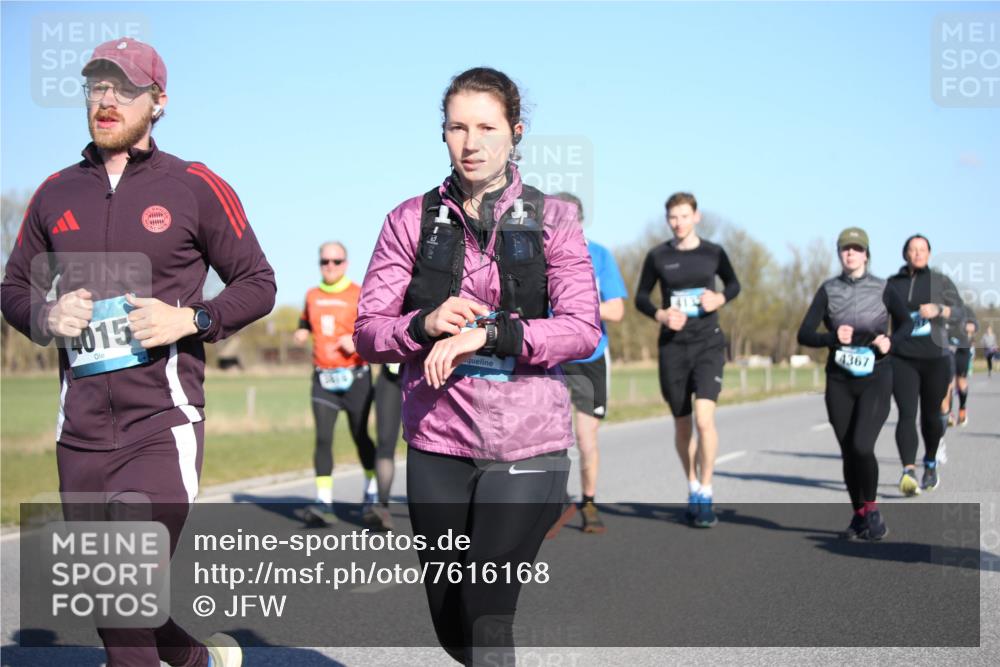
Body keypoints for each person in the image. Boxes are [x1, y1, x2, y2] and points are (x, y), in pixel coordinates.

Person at [0, 38, 275, 667]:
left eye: (123, 88)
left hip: (163, 423)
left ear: (158, 102)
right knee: (114, 602)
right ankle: (194, 660)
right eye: (95, 85)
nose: (105, 99)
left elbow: (259, 284)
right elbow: (12, 288)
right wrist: (45, 316)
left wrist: (192, 317)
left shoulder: (195, 186)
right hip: (81, 432)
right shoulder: (53, 193)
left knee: (123, 588)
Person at [354, 67, 600, 666]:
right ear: (443, 134)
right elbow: (367, 332)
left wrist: (491, 332)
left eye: (487, 127)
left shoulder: (554, 219)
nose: (472, 142)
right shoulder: (409, 220)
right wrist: (423, 323)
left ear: (515, 133)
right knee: (451, 621)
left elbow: (582, 329)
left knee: (488, 612)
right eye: (458, 127)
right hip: (439, 441)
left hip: (527, 443)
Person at [797, 228, 912, 540]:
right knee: (848, 450)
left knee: (862, 445)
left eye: (856, 249)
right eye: (845, 249)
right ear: (839, 254)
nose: (850, 254)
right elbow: (804, 333)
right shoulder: (828, 290)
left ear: (866, 254)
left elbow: (908, 324)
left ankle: (873, 510)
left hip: (876, 374)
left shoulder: (883, 287)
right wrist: (831, 337)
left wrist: (891, 341)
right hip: (839, 378)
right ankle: (858, 515)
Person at [634, 192, 740, 528]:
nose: (678, 222)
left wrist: (720, 297)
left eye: (684, 216)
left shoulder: (714, 252)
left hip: (708, 344)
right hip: (673, 349)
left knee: (705, 420)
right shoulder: (658, 256)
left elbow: (734, 284)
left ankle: (707, 491)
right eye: (673, 217)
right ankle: (692, 486)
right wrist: (662, 315)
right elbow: (641, 298)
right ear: (668, 220)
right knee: (682, 425)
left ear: (696, 216)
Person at [553, 192, 627, 534]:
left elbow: (616, 310)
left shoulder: (599, 255)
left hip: (592, 356)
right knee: (545, 437)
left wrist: (579, 306)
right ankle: (549, 506)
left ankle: (589, 501)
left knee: (585, 439)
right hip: (551, 354)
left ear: (579, 220)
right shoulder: (540, 256)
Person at [293, 242, 381, 527]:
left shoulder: (358, 293)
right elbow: (305, 321)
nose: (330, 266)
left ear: (346, 263)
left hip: (355, 376)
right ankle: (324, 502)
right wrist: (301, 332)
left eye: (336, 261)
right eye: (324, 262)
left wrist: (354, 341)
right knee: (323, 438)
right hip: (323, 378)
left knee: (360, 436)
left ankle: (371, 491)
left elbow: (374, 331)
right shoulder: (311, 295)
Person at [887, 234, 966, 495]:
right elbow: (877, 314)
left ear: (929, 254)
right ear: (905, 253)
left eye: (923, 249)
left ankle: (930, 462)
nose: (918, 253)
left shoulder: (940, 281)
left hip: (935, 359)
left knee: (931, 416)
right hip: (903, 358)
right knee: (906, 414)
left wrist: (939, 310)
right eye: (913, 249)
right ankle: (908, 471)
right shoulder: (893, 283)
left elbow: (960, 312)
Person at [372, 361, 403, 529]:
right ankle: (382, 507)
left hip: (428, 376)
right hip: (391, 377)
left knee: (432, 445)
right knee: (385, 442)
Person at [945, 305, 978, 427]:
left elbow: (974, 325)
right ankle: (948, 413)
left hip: (963, 349)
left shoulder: (965, 309)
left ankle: (962, 409)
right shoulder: (942, 308)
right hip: (947, 348)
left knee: (961, 381)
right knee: (949, 382)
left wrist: (970, 326)